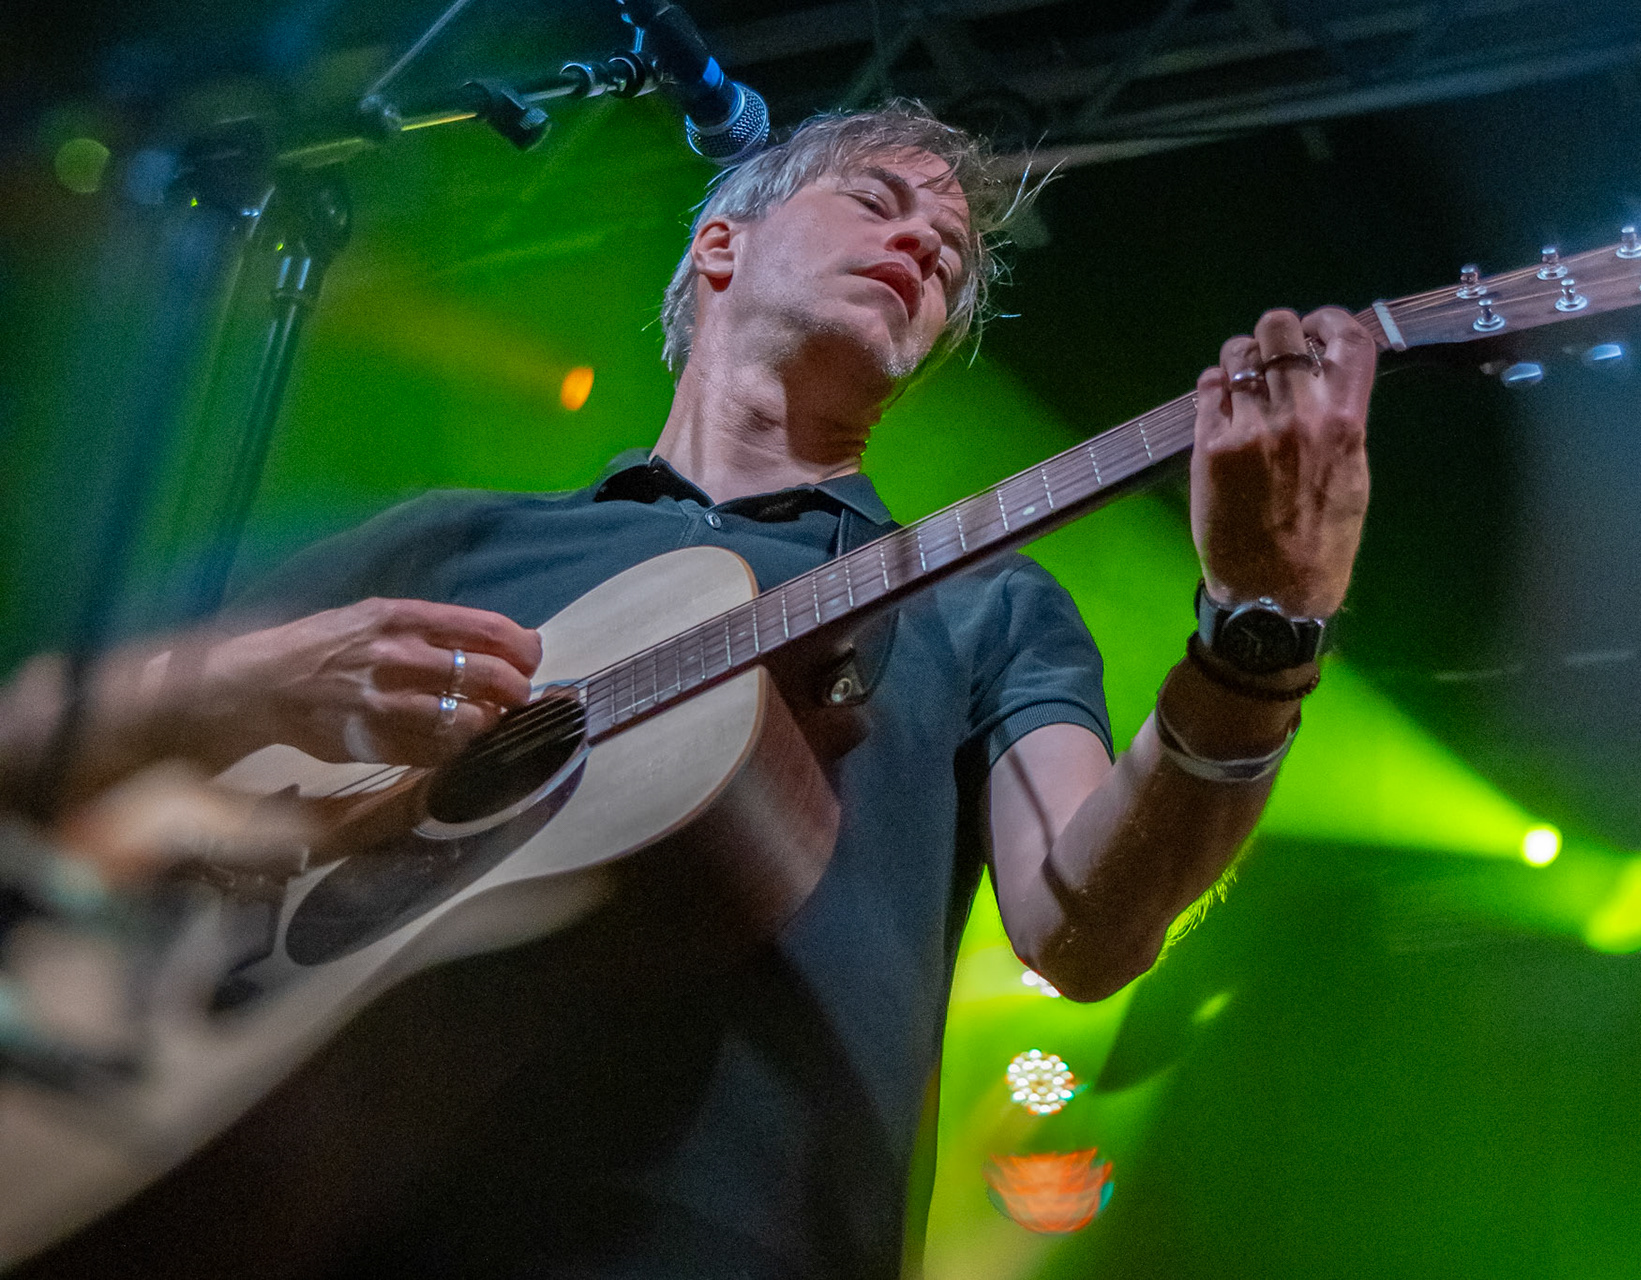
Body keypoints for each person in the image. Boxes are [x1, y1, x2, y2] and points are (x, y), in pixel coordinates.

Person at [6, 103, 1374, 1278]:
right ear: (722, 244)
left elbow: (1084, 929)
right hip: (294, 1206)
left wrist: (1257, 635)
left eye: (950, 257)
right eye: (878, 203)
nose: (924, 246)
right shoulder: (461, 541)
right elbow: (34, 737)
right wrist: (247, 679)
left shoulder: (983, 605)